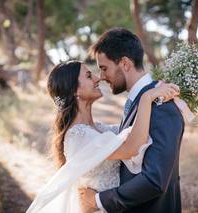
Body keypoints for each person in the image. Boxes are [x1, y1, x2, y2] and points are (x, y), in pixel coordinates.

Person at [26, 59, 179, 213]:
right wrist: (147, 98)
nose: (97, 78)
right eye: (88, 76)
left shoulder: (99, 129)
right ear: (75, 91)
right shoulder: (78, 136)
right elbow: (131, 148)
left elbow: (136, 132)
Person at [79, 28, 184, 213]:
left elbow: (155, 180)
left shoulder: (161, 105)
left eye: (104, 68)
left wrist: (98, 201)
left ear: (125, 63)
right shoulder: (140, 99)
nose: (101, 77)